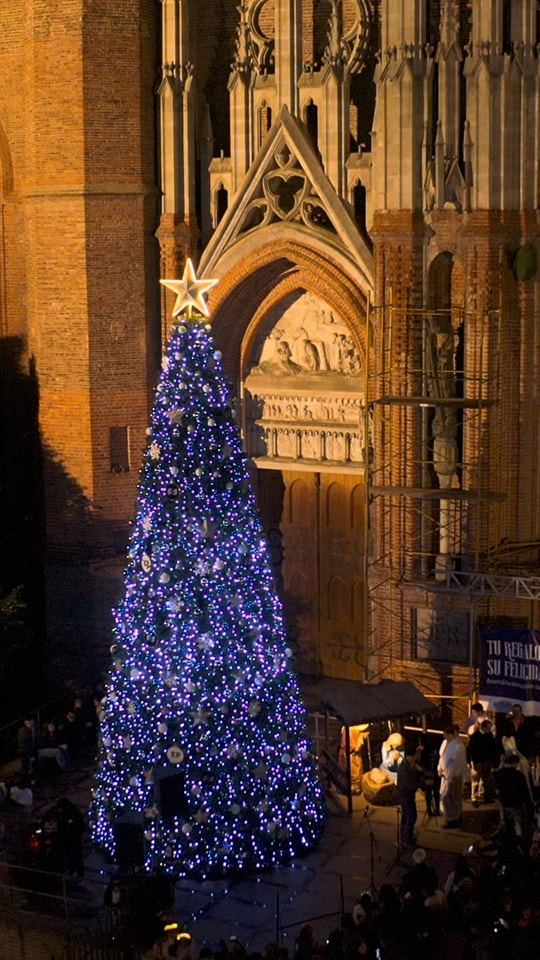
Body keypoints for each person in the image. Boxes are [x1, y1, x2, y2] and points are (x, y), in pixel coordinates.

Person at [494, 753, 534, 838]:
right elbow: (524, 791)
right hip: (516, 803)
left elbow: (497, 790)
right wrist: (529, 806)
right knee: (517, 823)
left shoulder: (499, 774)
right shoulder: (518, 775)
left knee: (505, 821)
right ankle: (519, 839)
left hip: (504, 803)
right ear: (515, 763)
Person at [438, 724, 467, 828]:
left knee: (451, 798)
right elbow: (443, 758)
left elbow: (457, 763)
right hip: (447, 775)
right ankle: (452, 817)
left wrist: (448, 774)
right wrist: (440, 768)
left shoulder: (458, 746)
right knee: (450, 798)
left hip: (453, 776)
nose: (444, 737)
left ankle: (453, 819)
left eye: (445, 735)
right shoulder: (449, 744)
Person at [396, 744, 424, 847]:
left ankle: (405, 837)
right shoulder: (403, 768)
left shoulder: (410, 764)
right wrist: (420, 784)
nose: (415, 757)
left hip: (408, 795)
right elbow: (410, 784)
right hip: (405, 795)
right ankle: (406, 839)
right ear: (408, 756)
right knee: (411, 817)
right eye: (414, 756)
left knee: (407, 816)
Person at [467, 719, 499, 806]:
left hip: (486, 760)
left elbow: (492, 748)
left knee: (486, 779)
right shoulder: (475, 736)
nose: (490, 730)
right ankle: (474, 798)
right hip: (477, 761)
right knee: (476, 780)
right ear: (484, 727)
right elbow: (469, 749)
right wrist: (469, 761)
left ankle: (486, 796)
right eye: (489, 728)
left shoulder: (489, 735)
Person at [54, 796, 85, 882]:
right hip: (67, 840)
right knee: (69, 856)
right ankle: (72, 871)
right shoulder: (64, 812)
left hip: (74, 840)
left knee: (77, 857)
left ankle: (79, 874)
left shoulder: (74, 813)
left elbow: (79, 827)